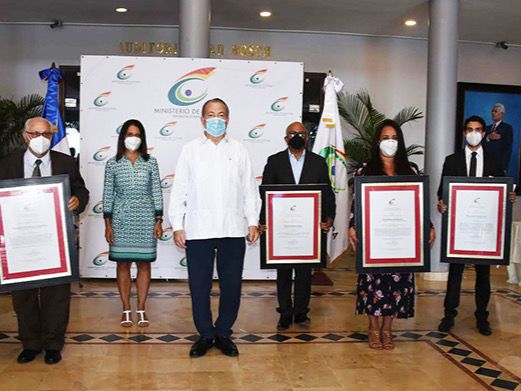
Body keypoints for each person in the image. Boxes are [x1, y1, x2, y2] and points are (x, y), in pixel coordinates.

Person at [169, 98, 260, 358]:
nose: (216, 119)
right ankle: (205, 334)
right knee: (199, 286)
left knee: (232, 285)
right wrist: (177, 225)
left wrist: (252, 221)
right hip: (198, 230)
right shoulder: (190, 150)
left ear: (228, 119)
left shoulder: (240, 150)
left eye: (221, 114)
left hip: (232, 229)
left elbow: (249, 190)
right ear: (202, 120)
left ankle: (223, 332)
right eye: (211, 114)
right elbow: (180, 190)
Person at [0, 117, 89, 364]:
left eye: (47, 134)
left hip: (55, 239)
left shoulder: (65, 162)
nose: (41, 139)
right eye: (35, 133)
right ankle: (30, 343)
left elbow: (81, 190)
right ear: (24, 135)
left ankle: (52, 344)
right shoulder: (7, 164)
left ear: (52, 136)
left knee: (56, 294)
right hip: (19, 241)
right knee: (23, 294)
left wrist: (77, 201)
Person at [348, 119, 435, 350]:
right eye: (386, 138)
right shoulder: (365, 170)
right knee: (372, 283)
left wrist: (429, 226)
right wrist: (352, 226)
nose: (390, 142)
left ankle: (388, 329)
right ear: (378, 141)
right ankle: (373, 328)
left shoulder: (411, 170)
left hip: (402, 241)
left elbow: (420, 204)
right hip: (374, 240)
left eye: (394, 138)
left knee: (398, 286)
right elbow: (356, 204)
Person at [437, 115, 515, 336]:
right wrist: (441, 204)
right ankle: (448, 315)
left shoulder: (494, 160)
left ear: (484, 133)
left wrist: (509, 197)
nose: (474, 133)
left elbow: (503, 191)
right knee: (455, 273)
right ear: (464, 133)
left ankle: (482, 317)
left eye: (478, 129)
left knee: (483, 274)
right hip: (459, 230)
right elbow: (441, 192)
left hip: (483, 231)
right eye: (470, 129)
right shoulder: (452, 160)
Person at [260, 121, 336, 330]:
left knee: (304, 273)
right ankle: (285, 313)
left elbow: (327, 193)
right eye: (292, 133)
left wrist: (329, 218)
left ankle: (301, 313)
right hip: (281, 229)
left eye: (301, 133)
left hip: (308, 230)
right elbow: (264, 193)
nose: (297, 136)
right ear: (285, 138)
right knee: (283, 272)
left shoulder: (318, 162)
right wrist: (263, 222)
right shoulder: (274, 161)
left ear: (307, 137)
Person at [102, 119, 163, 328]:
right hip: (121, 219)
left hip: (146, 218)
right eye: (129, 134)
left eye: (137, 135)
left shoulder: (151, 162)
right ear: (123, 137)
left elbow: (156, 191)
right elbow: (108, 194)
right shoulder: (112, 163)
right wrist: (108, 224)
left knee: (144, 264)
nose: (133, 138)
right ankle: (126, 309)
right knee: (123, 264)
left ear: (142, 138)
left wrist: (158, 220)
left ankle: (142, 308)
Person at [483, 103, 513, 174]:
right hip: (485, 165)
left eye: (495, 111)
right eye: (492, 111)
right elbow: (481, 144)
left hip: (499, 166)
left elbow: (508, 149)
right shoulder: (487, 128)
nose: (493, 113)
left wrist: (504, 167)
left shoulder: (507, 128)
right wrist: (488, 137)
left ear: (502, 114)